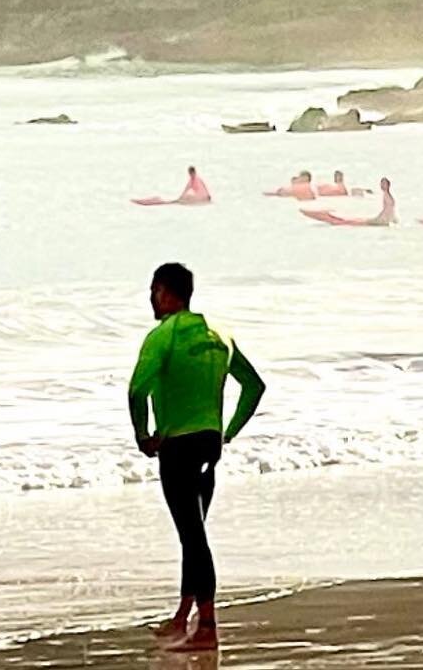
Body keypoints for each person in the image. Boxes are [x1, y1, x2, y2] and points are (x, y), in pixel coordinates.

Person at [129, 261, 266, 653]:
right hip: (209, 442)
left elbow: (137, 391)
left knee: (192, 533)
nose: (151, 299)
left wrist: (143, 436)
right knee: (195, 530)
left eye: (153, 291)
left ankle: (206, 627)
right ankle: (184, 613)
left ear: (166, 293)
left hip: (178, 445)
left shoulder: (163, 336)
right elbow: (254, 386)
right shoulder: (219, 334)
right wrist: (228, 432)